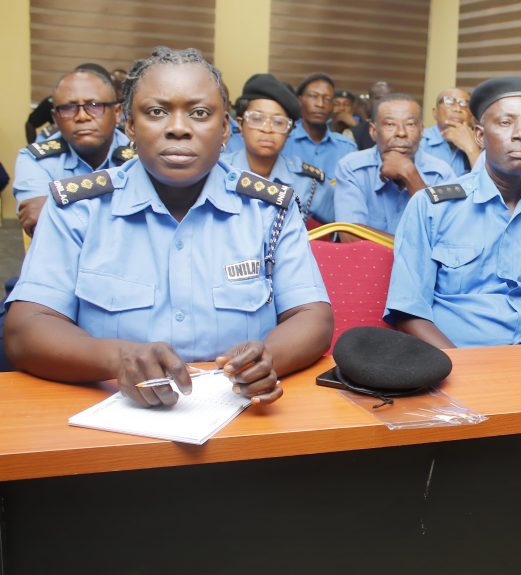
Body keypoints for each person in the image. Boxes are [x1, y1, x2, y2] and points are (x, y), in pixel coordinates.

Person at [4, 47, 332, 408]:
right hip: (109, 416)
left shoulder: (269, 209)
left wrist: (268, 357)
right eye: (157, 112)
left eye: (200, 113)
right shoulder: (78, 209)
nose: (178, 128)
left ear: (225, 128)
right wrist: (117, 359)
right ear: (130, 125)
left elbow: (312, 317)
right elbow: (25, 330)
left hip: (241, 412)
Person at [384, 76, 521, 348]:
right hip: (454, 360)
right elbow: (409, 310)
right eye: (506, 122)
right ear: (479, 136)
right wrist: (462, 365)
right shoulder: (433, 208)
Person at [13, 66, 132, 236]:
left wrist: (58, 207)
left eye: (94, 106)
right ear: (55, 118)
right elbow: (37, 221)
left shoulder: (141, 156)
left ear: (117, 112)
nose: (82, 116)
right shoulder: (34, 159)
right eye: (68, 108)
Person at [332, 93, 454, 237]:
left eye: (410, 124)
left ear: (422, 131)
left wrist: (411, 175)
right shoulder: (352, 168)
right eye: (390, 124)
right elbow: (351, 237)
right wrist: (416, 245)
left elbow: (447, 237)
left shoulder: (441, 173)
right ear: (373, 132)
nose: (401, 133)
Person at [221, 73, 334, 225]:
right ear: (241, 125)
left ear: (289, 131)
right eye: (257, 119)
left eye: (278, 122)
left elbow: (341, 228)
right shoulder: (218, 171)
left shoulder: (308, 182)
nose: (267, 129)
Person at [283, 73, 356, 182]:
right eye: (313, 96)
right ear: (300, 100)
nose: (320, 104)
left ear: (332, 105)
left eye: (327, 99)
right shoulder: (284, 141)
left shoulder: (347, 148)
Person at [420, 87, 480, 176]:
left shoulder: (480, 142)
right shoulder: (419, 140)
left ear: (470, 116)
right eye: (449, 101)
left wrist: (471, 149)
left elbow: (486, 181)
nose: (457, 109)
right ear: (435, 112)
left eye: (464, 104)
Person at [351, 81, 391, 150]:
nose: (385, 102)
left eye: (390, 99)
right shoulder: (355, 133)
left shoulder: (402, 132)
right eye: (379, 98)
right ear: (369, 102)